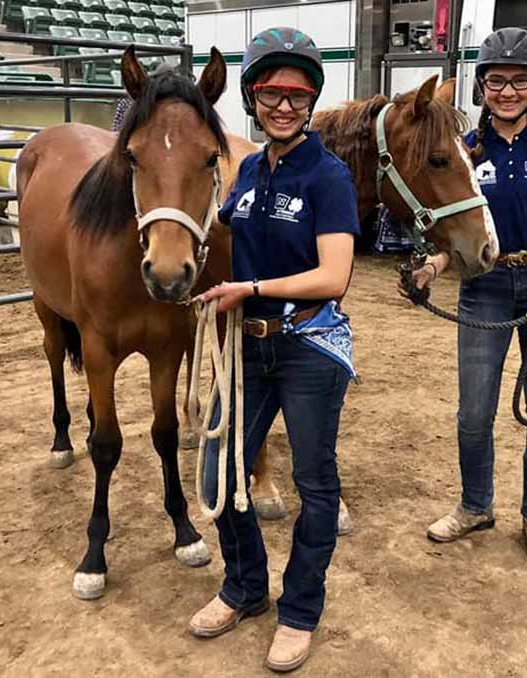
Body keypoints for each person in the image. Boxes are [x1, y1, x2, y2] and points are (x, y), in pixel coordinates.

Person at [188, 27, 360, 673]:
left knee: (315, 485)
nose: (283, 104)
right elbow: (222, 227)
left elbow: (333, 275)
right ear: (252, 98)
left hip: (308, 347)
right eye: (270, 92)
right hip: (246, 349)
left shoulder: (329, 174)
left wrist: (250, 287)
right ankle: (244, 586)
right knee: (217, 476)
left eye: (296, 92)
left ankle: (300, 610)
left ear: (311, 98)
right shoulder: (251, 170)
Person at [406, 27, 527, 566]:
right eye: (496, 81)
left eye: (518, 81)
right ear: (482, 86)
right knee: (473, 412)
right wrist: (434, 266)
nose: (507, 91)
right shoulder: (465, 150)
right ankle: (475, 505)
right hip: (484, 287)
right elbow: (461, 234)